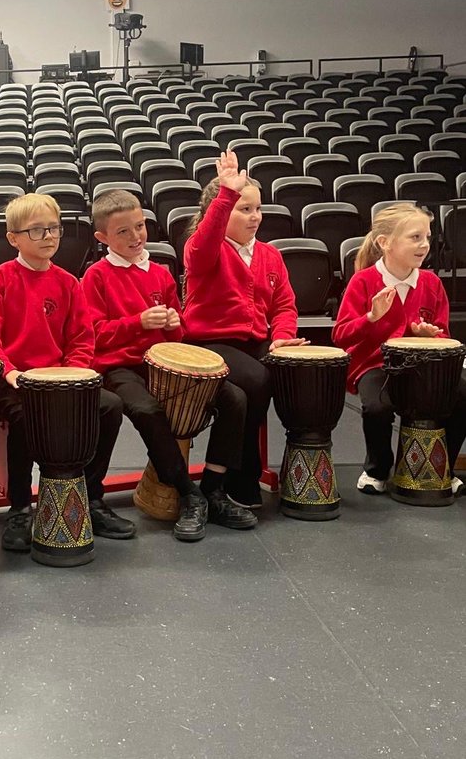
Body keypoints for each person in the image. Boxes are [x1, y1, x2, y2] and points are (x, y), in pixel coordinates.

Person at [81, 189, 253, 540]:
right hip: (120, 366)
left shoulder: (159, 272)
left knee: (234, 397)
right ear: (102, 238)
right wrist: (137, 322)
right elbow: (94, 335)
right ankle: (189, 493)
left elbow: (180, 331)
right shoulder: (96, 277)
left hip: (163, 361)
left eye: (139, 226)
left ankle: (214, 489)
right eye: (123, 232)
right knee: (146, 409)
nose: (135, 236)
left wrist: (176, 325)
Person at [0, 192, 133, 551]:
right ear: (13, 238)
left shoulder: (68, 282)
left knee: (109, 406)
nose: (48, 237)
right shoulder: (0, 280)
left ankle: (90, 496)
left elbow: (81, 339)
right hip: (14, 380)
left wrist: (71, 375)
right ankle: (19, 507)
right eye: (37, 231)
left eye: (54, 229)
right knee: (23, 417)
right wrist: (12, 374)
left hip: (61, 379)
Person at [183, 150, 305, 513]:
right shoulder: (204, 248)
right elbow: (202, 246)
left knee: (278, 375)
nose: (254, 217)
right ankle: (242, 474)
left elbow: (285, 305)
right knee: (256, 379)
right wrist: (226, 194)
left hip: (255, 342)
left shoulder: (270, 255)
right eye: (244, 209)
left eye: (257, 209)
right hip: (209, 341)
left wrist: (282, 335)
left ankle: (276, 472)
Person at [333, 201, 466, 494]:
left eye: (427, 237)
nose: (424, 245)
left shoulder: (431, 283)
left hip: (423, 367)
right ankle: (377, 469)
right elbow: (341, 335)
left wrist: (428, 336)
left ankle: (442, 465)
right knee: (377, 407)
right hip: (375, 364)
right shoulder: (363, 281)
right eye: (415, 237)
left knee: (462, 394)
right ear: (384, 243)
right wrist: (371, 318)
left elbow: (444, 335)